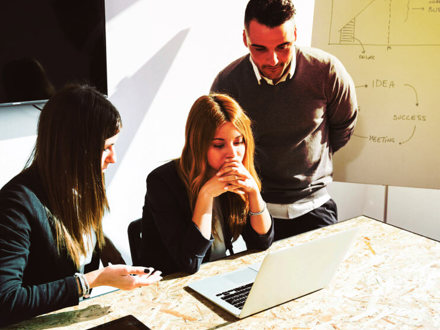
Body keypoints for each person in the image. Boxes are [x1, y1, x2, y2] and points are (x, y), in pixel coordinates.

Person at [0, 84, 162, 326]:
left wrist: (107, 249)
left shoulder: (80, 186)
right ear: (75, 148)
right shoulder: (16, 204)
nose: (113, 157)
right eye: (106, 147)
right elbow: (6, 301)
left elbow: (77, 237)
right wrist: (90, 281)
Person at [210, 0, 358, 241]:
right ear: (245, 40)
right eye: (260, 49)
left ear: (296, 34)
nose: (274, 60)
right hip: (256, 210)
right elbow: (218, 145)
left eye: (283, 46)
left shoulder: (327, 71)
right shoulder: (227, 83)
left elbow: (343, 127)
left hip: (315, 207)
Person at [141, 94, 274, 275]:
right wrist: (206, 195)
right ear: (198, 144)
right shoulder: (162, 181)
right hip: (168, 285)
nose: (232, 154)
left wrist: (253, 193)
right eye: (219, 145)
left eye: (238, 142)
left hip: (215, 276)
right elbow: (188, 263)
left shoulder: (234, 173)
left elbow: (262, 243)